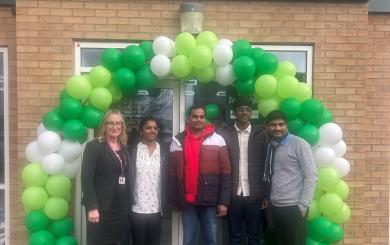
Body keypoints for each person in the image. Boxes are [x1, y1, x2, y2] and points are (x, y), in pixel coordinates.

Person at [169, 104, 231, 245]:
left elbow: (226, 172)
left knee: (211, 240)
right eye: (195, 116)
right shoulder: (177, 141)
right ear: (188, 119)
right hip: (187, 201)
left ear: (205, 118)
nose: (199, 119)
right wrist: (174, 200)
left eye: (202, 117)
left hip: (210, 200)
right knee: (189, 240)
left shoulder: (218, 140)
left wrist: (223, 202)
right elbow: (172, 174)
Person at [263, 110, 317, 245]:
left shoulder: (299, 144)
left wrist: (303, 206)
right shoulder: (271, 145)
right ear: (267, 127)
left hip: (294, 209)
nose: (278, 128)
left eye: (281, 124)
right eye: (273, 125)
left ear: (287, 125)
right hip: (276, 207)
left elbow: (311, 176)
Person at [220, 97, 268, 245]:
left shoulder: (261, 134)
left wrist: (265, 194)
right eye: (241, 109)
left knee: (254, 236)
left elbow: (267, 166)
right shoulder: (225, 133)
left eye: (248, 110)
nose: (244, 112)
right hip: (233, 195)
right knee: (234, 236)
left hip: (254, 195)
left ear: (251, 113)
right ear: (234, 112)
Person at [81, 109, 130, 245]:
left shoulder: (124, 147)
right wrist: (92, 207)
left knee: (117, 241)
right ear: (104, 125)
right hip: (101, 208)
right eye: (110, 123)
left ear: (122, 126)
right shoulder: (94, 146)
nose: (115, 127)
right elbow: (86, 178)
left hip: (120, 207)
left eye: (118, 123)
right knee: (99, 241)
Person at [128, 116, 169, 245]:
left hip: (156, 208)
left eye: (155, 128)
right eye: (148, 127)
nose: (153, 130)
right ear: (141, 131)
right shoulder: (132, 150)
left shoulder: (164, 151)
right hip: (136, 207)